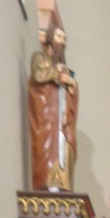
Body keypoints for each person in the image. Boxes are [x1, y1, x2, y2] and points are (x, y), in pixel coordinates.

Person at [28, 23, 78, 192]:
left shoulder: (65, 68)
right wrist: (56, 73)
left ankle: (61, 186)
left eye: (64, 39)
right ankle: (47, 186)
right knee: (45, 153)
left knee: (65, 149)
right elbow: (37, 75)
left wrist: (71, 83)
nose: (62, 42)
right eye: (59, 37)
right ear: (50, 39)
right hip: (46, 119)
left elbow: (71, 92)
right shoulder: (39, 58)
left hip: (62, 123)